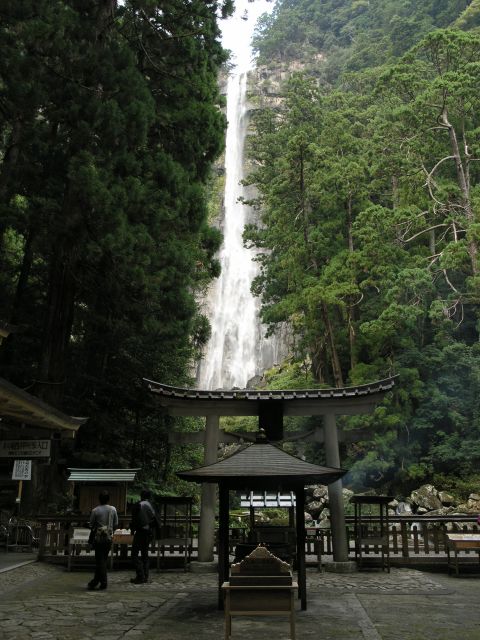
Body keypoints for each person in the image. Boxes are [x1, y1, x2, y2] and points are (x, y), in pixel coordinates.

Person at [88, 490, 118, 591]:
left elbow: (91, 525)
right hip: (109, 537)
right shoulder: (113, 509)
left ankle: (103, 582)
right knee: (102, 559)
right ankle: (95, 581)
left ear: (99, 499)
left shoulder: (95, 510)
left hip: (99, 538)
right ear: (108, 499)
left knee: (100, 560)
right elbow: (115, 524)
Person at [130, 489, 158, 584]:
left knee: (134, 554)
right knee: (145, 555)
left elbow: (135, 519)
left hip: (140, 532)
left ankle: (140, 575)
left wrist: (132, 529)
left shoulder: (139, 505)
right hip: (148, 532)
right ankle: (145, 575)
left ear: (141, 496)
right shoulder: (151, 506)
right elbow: (154, 520)